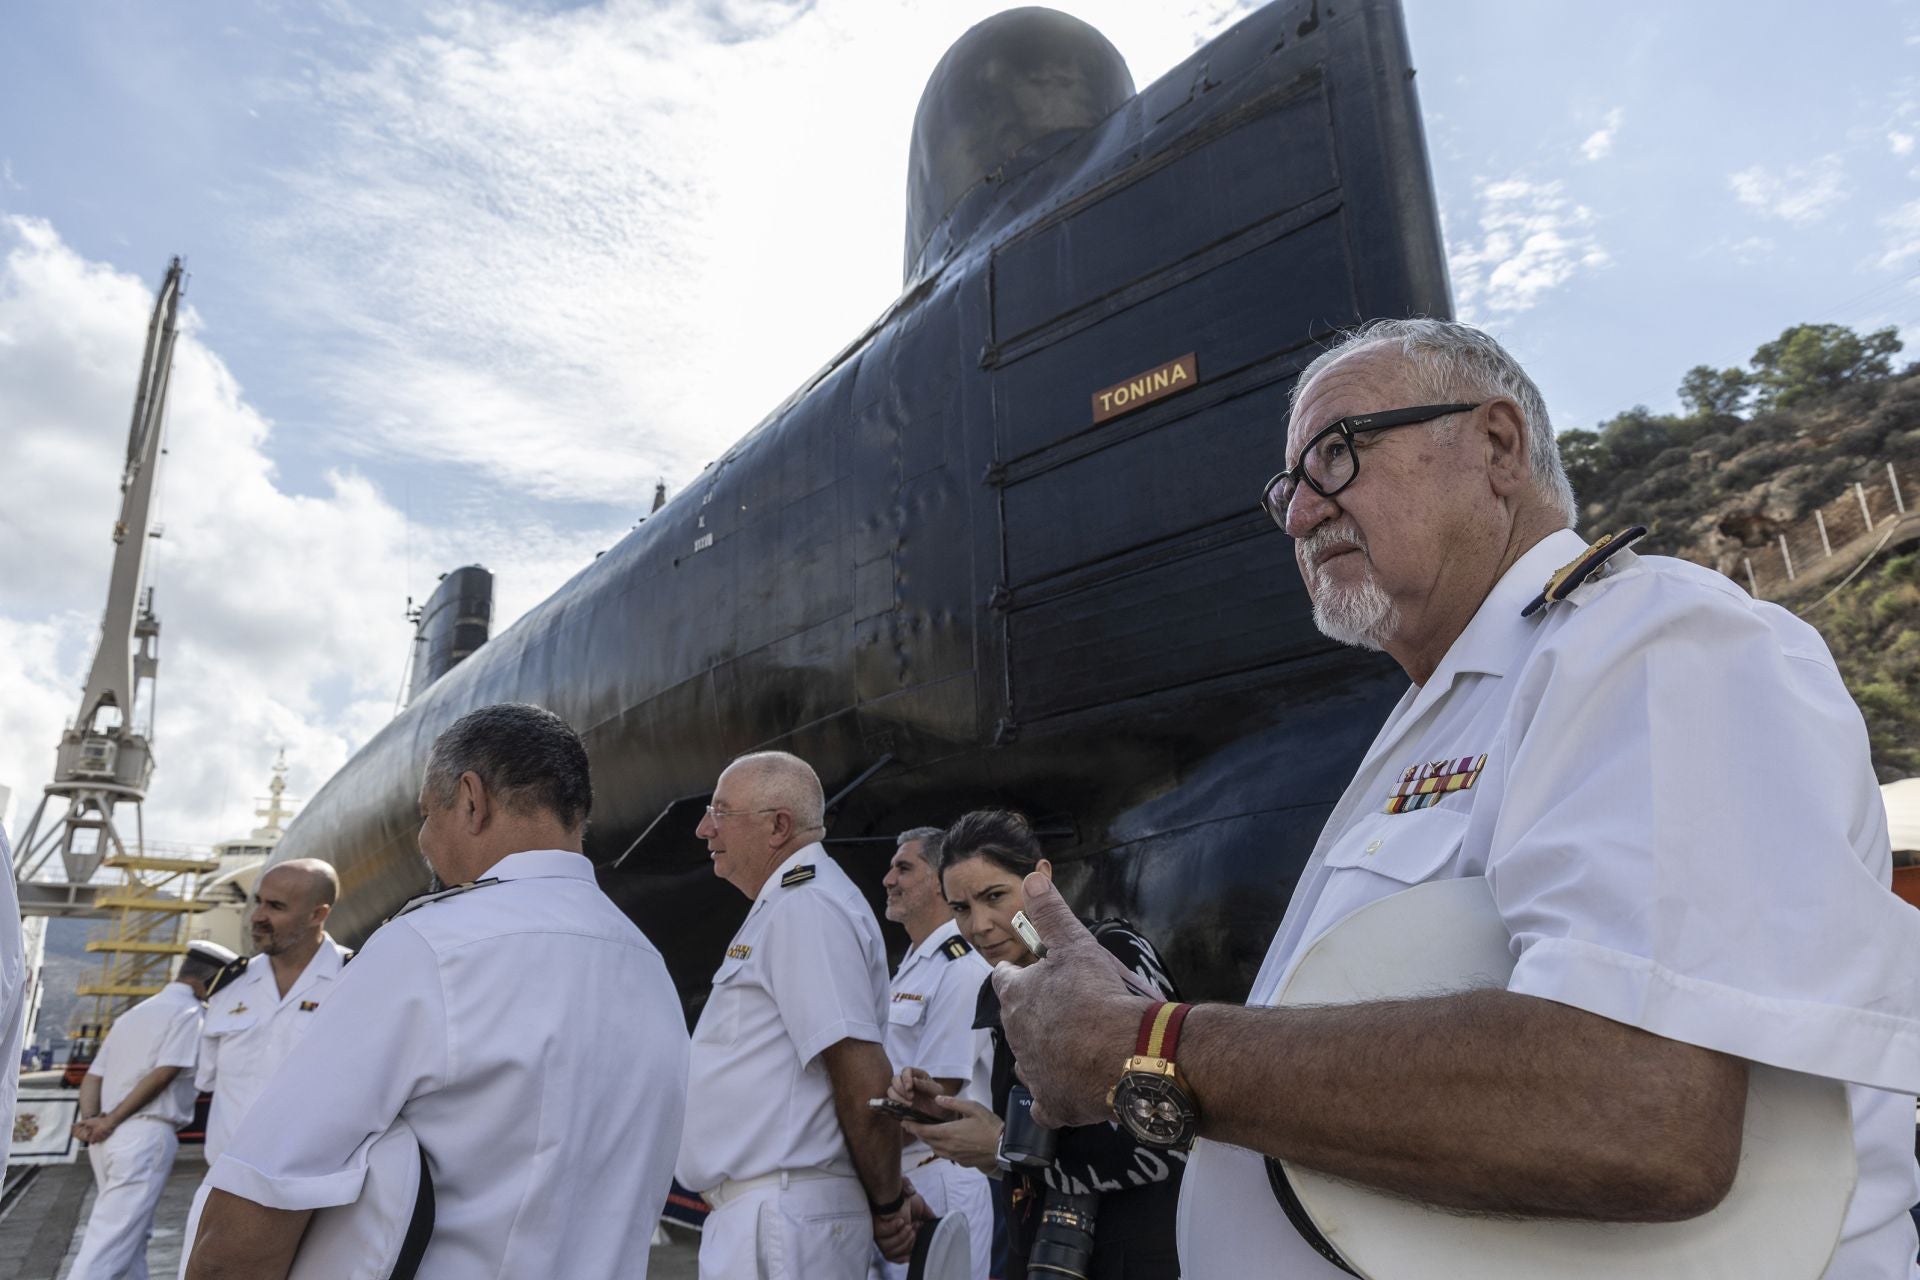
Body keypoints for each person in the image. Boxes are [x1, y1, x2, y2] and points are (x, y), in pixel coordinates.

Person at [987, 317, 1920, 1278]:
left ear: (1498, 447)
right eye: (1288, 487)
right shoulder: (1453, 710)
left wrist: (1146, 1046)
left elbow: (1639, 1108)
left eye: (1337, 453)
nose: (1301, 514)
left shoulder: (1648, 641)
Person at [185, 703, 689, 1279]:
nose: (423, 840)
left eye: (427, 815)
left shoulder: (428, 946)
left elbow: (262, 1197)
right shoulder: (649, 965)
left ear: (471, 800)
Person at [893, 810, 1183, 1280]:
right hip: (1039, 1255)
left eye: (994, 896)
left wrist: (1000, 1146)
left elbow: (1164, 1139)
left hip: (1130, 1257)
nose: (979, 926)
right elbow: (1031, 1156)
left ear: (1040, 878)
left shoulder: (1112, 956)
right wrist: (950, 1119)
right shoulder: (1001, 988)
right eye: (961, 908)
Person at [676, 750, 922, 1278]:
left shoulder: (805, 905)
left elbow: (859, 1072)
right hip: (775, 1213)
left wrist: (886, 1205)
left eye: (721, 812)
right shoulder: (791, 903)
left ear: (778, 826)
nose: (704, 828)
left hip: (782, 1219)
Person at [176, 859, 351, 1278]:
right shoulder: (228, 986)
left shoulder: (354, 980)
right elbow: (208, 1078)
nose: (257, 916)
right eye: (258, 902)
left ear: (318, 914)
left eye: (275, 906)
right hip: (223, 1190)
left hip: (312, 1202)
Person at [69, 939, 235, 1280]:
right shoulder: (190, 1014)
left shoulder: (134, 1013)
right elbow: (164, 1073)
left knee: (131, 1239)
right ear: (208, 981)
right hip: (143, 1133)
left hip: (106, 1140)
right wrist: (110, 1121)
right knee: (108, 1244)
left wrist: (92, 1120)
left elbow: (93, 1077)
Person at [872, 826, 993, 1280]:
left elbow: (936, 1098)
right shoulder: (911, 967)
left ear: (942, 882)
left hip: (937, 1178)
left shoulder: (960, 970)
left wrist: (857, 1153)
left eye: (904, 868)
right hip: (897, 1180)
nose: (888, 879)